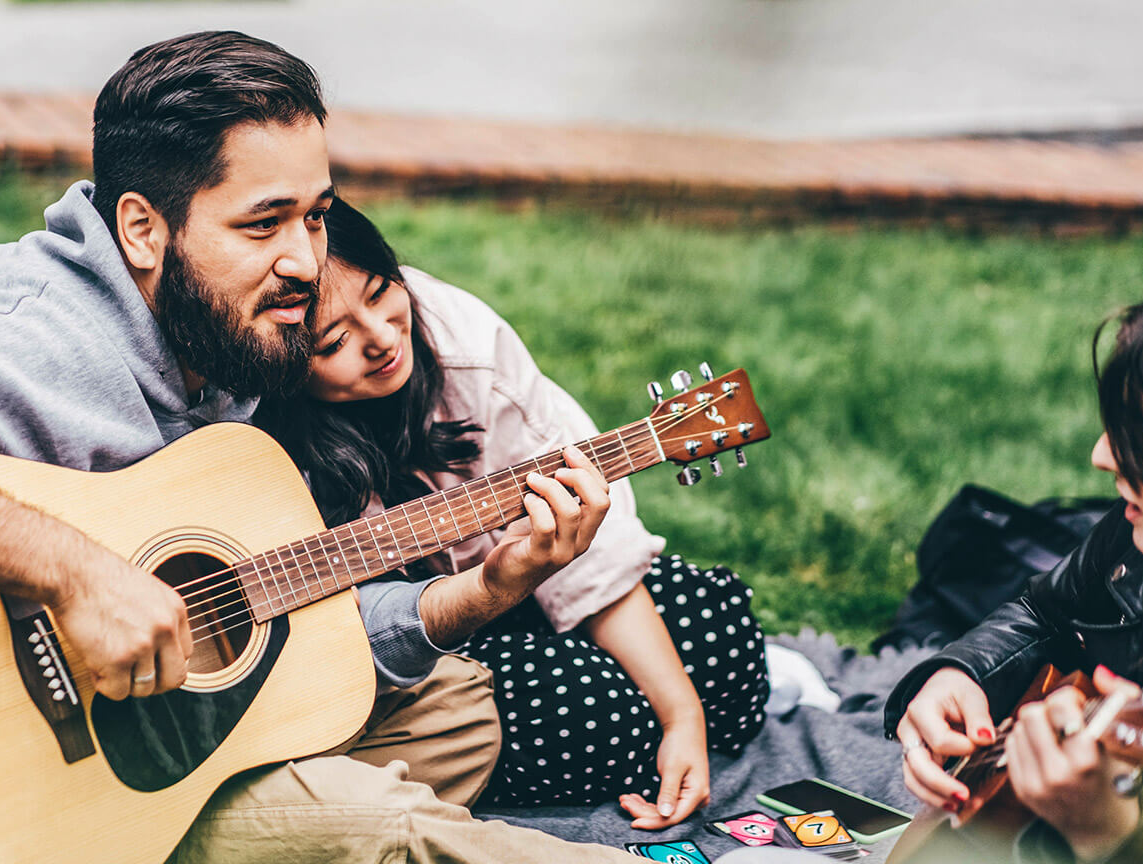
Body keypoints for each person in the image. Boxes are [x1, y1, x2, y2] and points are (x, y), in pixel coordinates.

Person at [0, 31, 650, 863]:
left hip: (142, 742)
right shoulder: (35, 339)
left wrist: (480, 593)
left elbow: (267, 625)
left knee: (455, 708)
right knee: (379, 825)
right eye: (263, 222)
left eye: (316, 215)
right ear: (142, 229)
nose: (307, 262)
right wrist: (75, 575)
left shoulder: (224, 346)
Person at [256, 199, 769, 831]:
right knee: (593, 709)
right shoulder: (258, 441)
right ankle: (613, 726)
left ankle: (650, 721)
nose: (384, 337)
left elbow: (597, 566)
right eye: (334, 341)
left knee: (720, 632)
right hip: (405, 663)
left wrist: (682, 716)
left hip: (521, 584)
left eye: (383, 290)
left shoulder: (463, 343)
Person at [884, 280, 1143, 863]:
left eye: (1141, 440)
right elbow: (1043, 611)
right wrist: (959, 673)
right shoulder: (1133, 542)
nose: (1102, 456)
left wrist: (1107, 836)